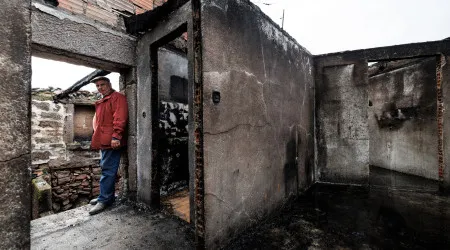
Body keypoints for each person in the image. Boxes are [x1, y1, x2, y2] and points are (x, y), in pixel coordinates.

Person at [88, 76, 128, 215]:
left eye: (103, 84)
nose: (100, 88)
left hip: (112, 141)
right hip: (104, 140)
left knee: (108, 170)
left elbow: (120, 117)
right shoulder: (103, 100)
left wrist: (116, 136)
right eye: (97, 86)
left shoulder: (117, 97)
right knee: (106, 168)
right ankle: (106, 196)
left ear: (109, 84)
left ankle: (104, 200)